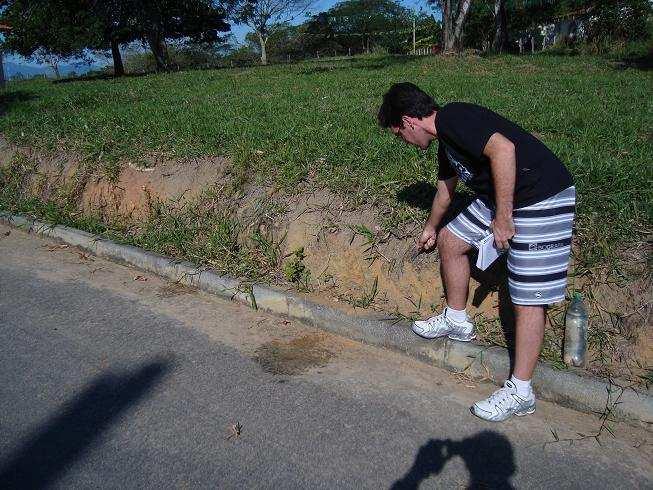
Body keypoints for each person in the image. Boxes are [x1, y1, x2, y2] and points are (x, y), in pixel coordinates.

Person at [378, 82, 575, 422]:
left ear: (409, 121)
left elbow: (504, 150)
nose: (404, 142)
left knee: (526, 295)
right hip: (499, 195)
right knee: (451, 241)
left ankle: (521, 392)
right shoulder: (446, 143)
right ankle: (456, 320)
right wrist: (431, 227)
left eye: (399, 134)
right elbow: (445, 189)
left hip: (541, 194)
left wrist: (503, 216)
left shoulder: (455, 117)